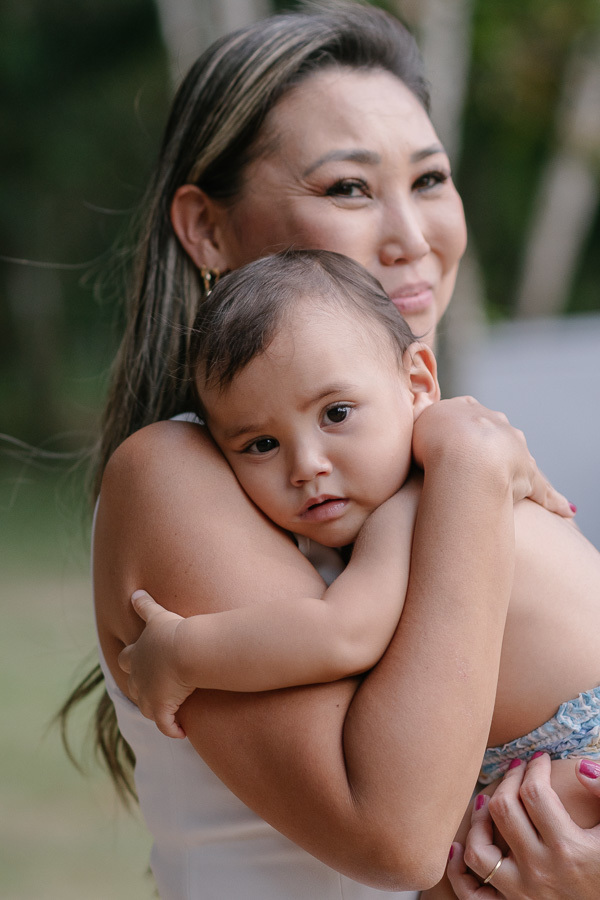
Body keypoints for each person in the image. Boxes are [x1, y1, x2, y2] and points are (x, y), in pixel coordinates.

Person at [65, 2, 600, 898]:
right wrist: (468, 460)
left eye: (430, 181)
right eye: (348, 188)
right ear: (206, 230)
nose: (411, 237)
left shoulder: (390, 469)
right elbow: (395, 840)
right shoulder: (173, 473)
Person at [117, 249, 600, 898]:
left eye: (336, 413)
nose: (307, 464)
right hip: (548, 739)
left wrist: (184, 653)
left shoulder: (416, 505)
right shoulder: (449, 481)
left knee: (479, 863)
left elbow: (342, 633)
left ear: (418, 382)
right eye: (260, 445)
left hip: (581, 737)